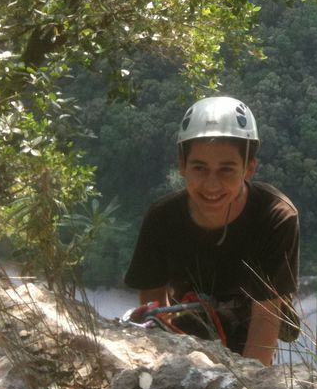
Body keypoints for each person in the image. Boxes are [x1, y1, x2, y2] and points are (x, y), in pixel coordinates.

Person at [125, 96, 299, 365]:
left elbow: (266, 316)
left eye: (226, 170)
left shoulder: (275, 218)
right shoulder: (162, 219)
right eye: (199, 168)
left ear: (249, 168)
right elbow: (154, 312)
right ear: (182, 165)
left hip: (249, 327)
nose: (211, 185)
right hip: (188, 330)